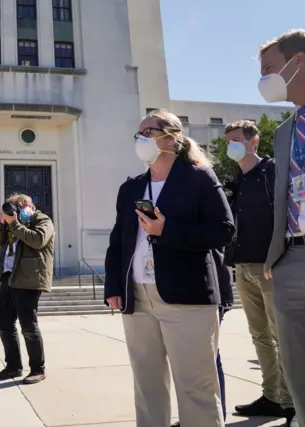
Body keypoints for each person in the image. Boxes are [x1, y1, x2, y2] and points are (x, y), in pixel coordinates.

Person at [104, 109, 234, 427]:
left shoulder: (199, 179)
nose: (141, 138)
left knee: (196, 388)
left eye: (148, 132)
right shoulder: (131, 188)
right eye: (139, 133)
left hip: (186, 296)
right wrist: (112, 287)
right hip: (137, 296)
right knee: (146, 387)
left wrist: (167, 230)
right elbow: (118, 241)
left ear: (172, 138)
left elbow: (224, 230)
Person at [260, 29, 305, 427]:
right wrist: (277, 256)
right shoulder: (286, 131)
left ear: (298, 61)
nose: (263, 79)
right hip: (292, 261)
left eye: (269, 68)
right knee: (304, 381)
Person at [223, 120, 294, 423]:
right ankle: (272, 397)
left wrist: (277, 257)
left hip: (271, 266)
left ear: (253, 142)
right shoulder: (234, 178)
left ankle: (293, 403)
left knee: (284, 336)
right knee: (260, 336)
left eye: (236, 140)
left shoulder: (273, 171)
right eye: (228, 141)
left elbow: (287, 215)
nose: (231, 147)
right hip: (243, 265)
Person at [0, 193, 54, 385]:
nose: (15, 211)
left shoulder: (42, 220)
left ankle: (37, 369)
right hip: (9, 276)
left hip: (29, 279)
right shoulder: (11, 224)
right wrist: (3, 223)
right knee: (3, 322)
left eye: (18, 206)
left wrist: (15, 224)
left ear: (29, 207)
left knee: (28, 325)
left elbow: (38, 240)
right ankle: (13, 366)